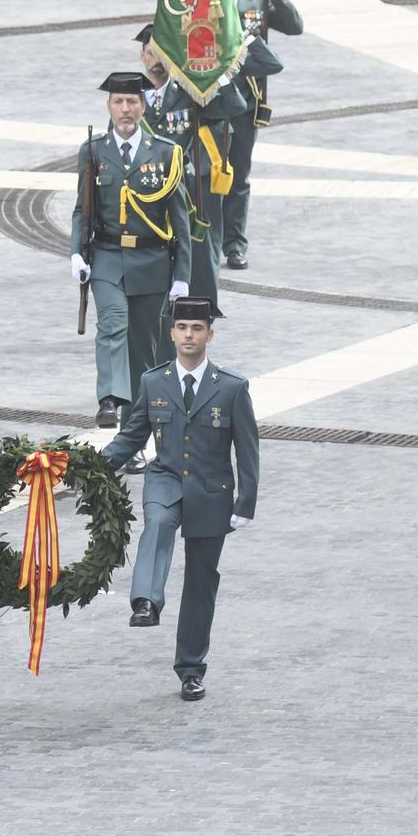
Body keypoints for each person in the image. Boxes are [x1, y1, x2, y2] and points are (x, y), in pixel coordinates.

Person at [101, 297, 259, 702]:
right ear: (171, 333)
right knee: (157, 523)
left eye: (197, 329)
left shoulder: (232, 387)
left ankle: (191, 669)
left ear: (210, 334)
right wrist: (90, 465)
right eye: (182, 328)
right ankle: (146, 602)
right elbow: (132, 436)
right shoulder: (153, 382)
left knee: (201, 582)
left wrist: (245, 503)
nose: (189, 336)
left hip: (212, 491)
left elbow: (247, 449)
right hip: (165, 480)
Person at [71, 72, 193, 427]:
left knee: (143, 347)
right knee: (112, 323)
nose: (125, 109)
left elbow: (180, 220)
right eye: (118, 102)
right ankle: (108, 399)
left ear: (142, 106)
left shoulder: (167, 154)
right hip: (108, 258)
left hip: (151, 261)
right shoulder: (93, 151)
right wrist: (77, 252)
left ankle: (134, 429)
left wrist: (182, 275)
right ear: (108, 106)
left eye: (132, 102)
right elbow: (83, 207)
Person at [139, 19, 283, 312]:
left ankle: (202, 310)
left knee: (202, 250)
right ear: (142, 56)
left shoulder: (191, 92)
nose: (156, 59)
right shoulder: (132, 96)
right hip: (150, 186)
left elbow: (235, 106)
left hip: (194, 180)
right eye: (151, 52)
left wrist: (218, 75)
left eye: (162, 52)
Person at [221, 0, 304, 270]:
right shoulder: (204, 3)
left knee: (239, 176)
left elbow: (295, 27)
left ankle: (234, 245)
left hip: (245, 101)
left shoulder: (253, 1)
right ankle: (206, 239)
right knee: (207, 175)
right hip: (211, 100)